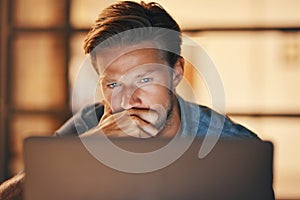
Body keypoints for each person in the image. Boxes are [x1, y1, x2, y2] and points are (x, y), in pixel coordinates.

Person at [0, 1, 258, 199]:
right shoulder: (90, 123)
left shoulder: (231, 145)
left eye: (145, 80)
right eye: (113, 84)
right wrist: (86, 148)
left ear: (176, 72)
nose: (127, 101)